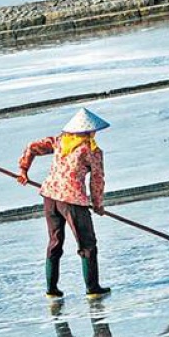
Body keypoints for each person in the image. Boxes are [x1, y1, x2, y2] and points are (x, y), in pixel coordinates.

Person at [18, 107, 111, 300]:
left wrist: (23, 170)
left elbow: (32, 147)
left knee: (55, 242)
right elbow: (97, 180)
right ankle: (92, 289)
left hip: (50, 197)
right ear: (89, 131)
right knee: (87, 244)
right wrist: (98, 204)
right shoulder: (92, 151)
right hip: (72, 201)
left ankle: (51, 290)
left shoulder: (60, 141)